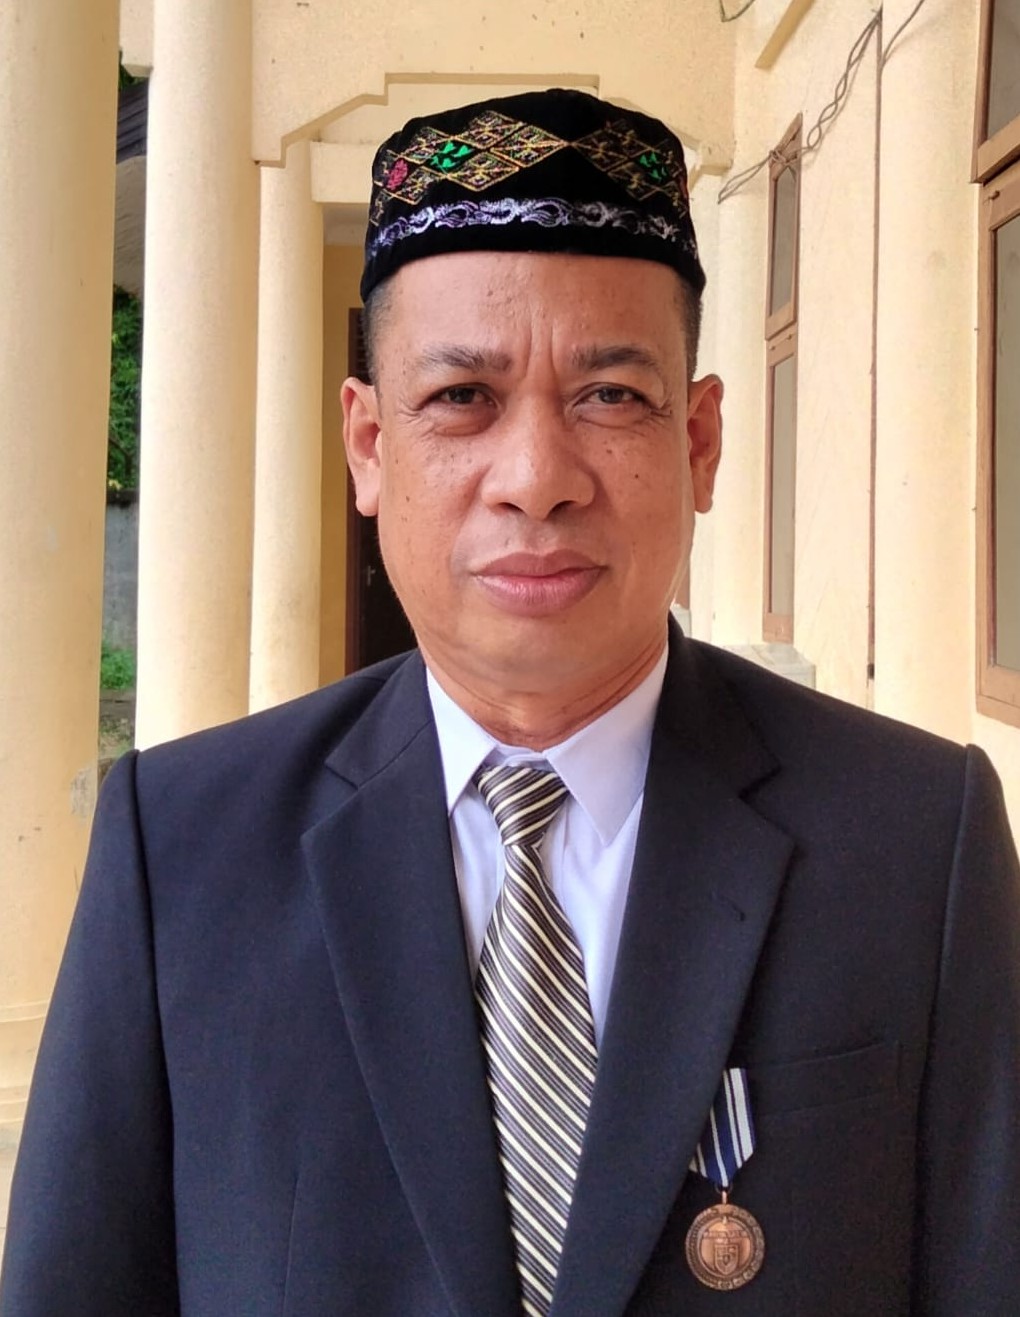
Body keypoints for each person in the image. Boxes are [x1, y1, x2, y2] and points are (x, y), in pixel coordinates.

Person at [2, 88, 1019, 1317]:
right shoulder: (183, 849)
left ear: (700, 443)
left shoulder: (914, 839)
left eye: (611, 395)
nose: (536, 479)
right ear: (369, 446)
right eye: (461, 399)